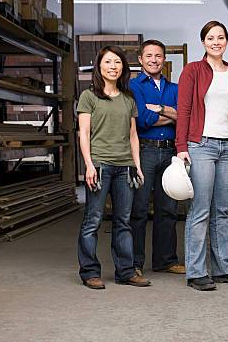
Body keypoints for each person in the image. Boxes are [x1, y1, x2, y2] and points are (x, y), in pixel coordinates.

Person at [176, 20, 228, 291]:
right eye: (211, 38)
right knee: (200, 209)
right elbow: (183, 110)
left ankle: (223, 268)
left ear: (227, 41)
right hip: (201, 146)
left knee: (222, 210)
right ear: (203, 42)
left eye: (221, 37)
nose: (216, 42)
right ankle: (196, 272)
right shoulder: (193, 71)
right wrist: (181, 146)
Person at [77, 45, 151, 289]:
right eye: (108, 62)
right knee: (93, 220)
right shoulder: (89, 96)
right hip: (99, 166)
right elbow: (84, 134)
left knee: (124, 221)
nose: (113, 66)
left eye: (117, 62)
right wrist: (89, 165)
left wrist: (137, 166)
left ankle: (126, 272)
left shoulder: (128, 98)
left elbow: (132, 136)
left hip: (124, 167)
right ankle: (90, 272)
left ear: (123, 68)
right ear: (99, 66)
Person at [129, 40, 185, 276]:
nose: (154, 60)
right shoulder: (134, 86)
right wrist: (172, 114)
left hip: (170, 152)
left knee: (168, 208)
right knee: (139, 208)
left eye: (158, 56)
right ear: (141, 59)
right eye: (149, 56)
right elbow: (142, 119)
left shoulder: (174, 88)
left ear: (164, 60)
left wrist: (160, 109)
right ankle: (134, 263)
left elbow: (185, 116)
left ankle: (166, 260)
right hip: (146, 151)